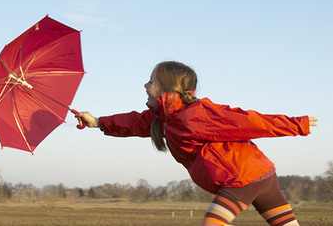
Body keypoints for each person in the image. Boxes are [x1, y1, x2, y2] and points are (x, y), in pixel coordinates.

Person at [74, 61, 318, 226]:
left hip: (242, 179)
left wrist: (297, 124)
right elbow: (134, 122)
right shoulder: (164, 118)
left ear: (166, 89)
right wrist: (96, 121)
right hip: (260, 175)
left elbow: (246, 121)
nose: (145, 86)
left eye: (151, 81)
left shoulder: (194, 114)